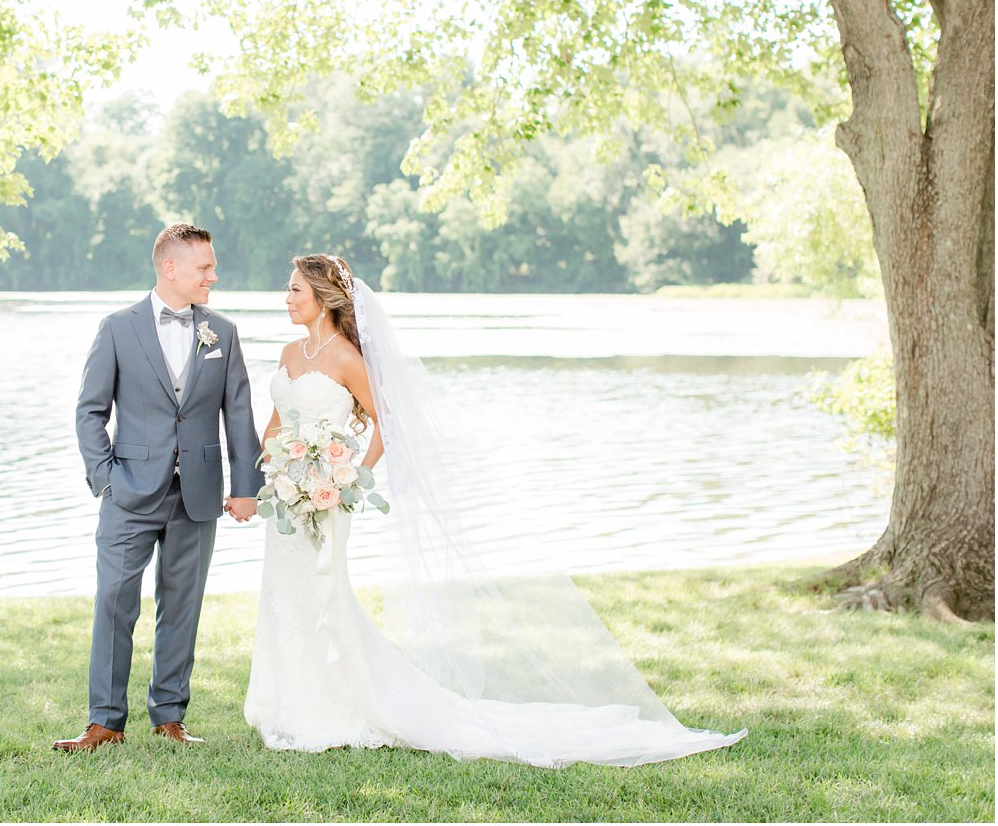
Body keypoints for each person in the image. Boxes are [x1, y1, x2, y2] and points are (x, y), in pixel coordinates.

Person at [244, 253, 747, 767]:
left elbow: (386, 422)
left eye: (295, 291)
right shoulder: (288, 353)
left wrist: (350, 477)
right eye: (288, 291)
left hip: (329, 498)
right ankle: (289, 701)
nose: (286, 299)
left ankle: (331, 706)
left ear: (323, 298)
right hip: (286, 495)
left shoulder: (348, 358)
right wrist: (270, 471)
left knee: (322, 593)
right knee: (285, 591)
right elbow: (278, 423)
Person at [56, 223, 263, 752]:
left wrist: (247, 486)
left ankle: (169, 716)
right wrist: (105, 479)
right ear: (170, 268)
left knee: (183, 605)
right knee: (114, 601)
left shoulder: (223, 332)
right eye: (205, 267)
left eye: (212, 267)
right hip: (129, 492)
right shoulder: (117, 328)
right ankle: (104, 721)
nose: (213, 276)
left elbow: (238, 415)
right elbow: (89, 411)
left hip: (197, 494)